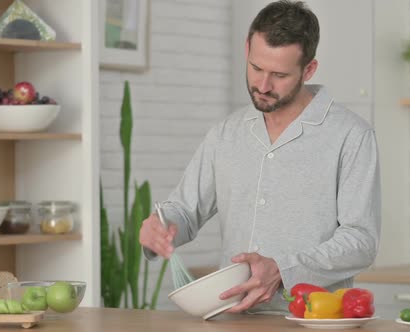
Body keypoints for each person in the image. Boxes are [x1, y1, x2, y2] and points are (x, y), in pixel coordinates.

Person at [139, 0, 380, 314]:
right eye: (256, 68)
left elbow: (361, 240)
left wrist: (283, 270)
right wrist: (160, 227)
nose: (263, 85)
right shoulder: (225, 134)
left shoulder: (351, 135)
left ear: (309, 69)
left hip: (314, 318)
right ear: (247, 49)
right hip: (233, 318)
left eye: (279, 75)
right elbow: (184, 211)